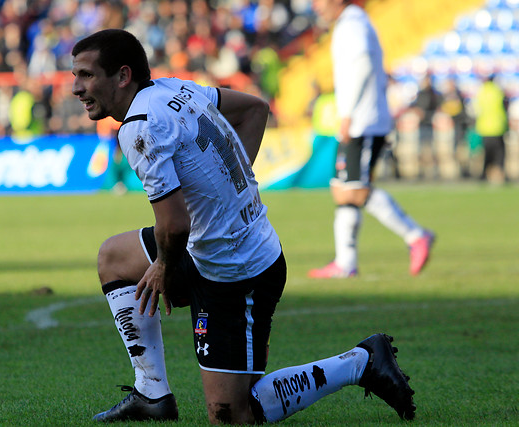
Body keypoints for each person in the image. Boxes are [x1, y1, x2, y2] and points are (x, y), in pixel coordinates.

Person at [72, 28, 416, 424]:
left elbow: (174, 224)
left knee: (231, 414)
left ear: (122, 76)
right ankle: (151, 393)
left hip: (238, 271)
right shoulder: (176, 89)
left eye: (86, 75)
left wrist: (165, 266)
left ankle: (360, 361)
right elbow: (255, 108)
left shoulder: (139, 127)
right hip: (214, 246)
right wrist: (228, 190)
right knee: (114, 258)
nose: (77, 88)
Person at [308, 0, 435, 279]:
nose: (315, 6)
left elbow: (363, 64)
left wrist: (349, 113)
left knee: (353, 188)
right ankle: (345, 262)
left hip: (363, 121)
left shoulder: (353, 24)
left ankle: (416, 235)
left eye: (319, 0)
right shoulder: (350, 22)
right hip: (360, 120)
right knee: (343, 188)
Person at [473, 75, 508, 184]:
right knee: (499, 154)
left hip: (484, 128)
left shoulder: (481, 91)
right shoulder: (498, 91)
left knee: (487, 153)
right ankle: (500, 174)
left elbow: (476, 108)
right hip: (498, 127)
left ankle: (484, 175)